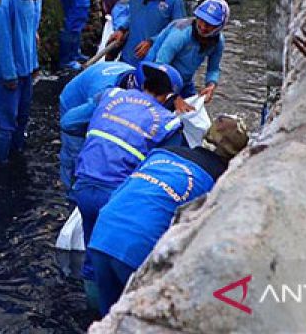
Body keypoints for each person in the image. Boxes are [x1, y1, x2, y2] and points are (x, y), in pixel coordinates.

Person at [88, 115, 249, 316]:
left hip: (103, 231)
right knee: (139, 317)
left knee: (107, 315)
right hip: (139, 246)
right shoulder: (220, 181)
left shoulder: (163, 153)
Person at [64, 62, 185, 307]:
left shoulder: (111, 95)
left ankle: (90, 311)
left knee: (92, 256)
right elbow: (168, 168)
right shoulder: (168, 123)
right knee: (119, 258)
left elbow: (69, 122)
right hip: (118, 198)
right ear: (169, 96)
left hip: (84, 187)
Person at [0, 0, 56, 165]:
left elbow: (29, 38)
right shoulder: (6, 0)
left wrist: (34, 66)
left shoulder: (30, 0)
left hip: (26, 70)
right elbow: (2, 40)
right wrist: (9, 74)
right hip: (7, 73)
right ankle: (1, 162)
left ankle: (16, 154)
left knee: (22, 115)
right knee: (5, 120)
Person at [57, 60, 137, 193]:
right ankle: (71, 193)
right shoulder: (103, 96)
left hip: (91, 86)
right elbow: (68, 123)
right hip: (74, 108)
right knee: (76, 157)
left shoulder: (135, 75)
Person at [149, 0, 228, 100]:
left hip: (184, 81)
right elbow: (161, 65)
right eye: (201, 20)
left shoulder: (218, 41)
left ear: (219, 27)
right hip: (154, 73)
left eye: (210, 25)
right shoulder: (181, 33)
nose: (203, 27)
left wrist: (211, 85)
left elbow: (213, 69)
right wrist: (173, 97)